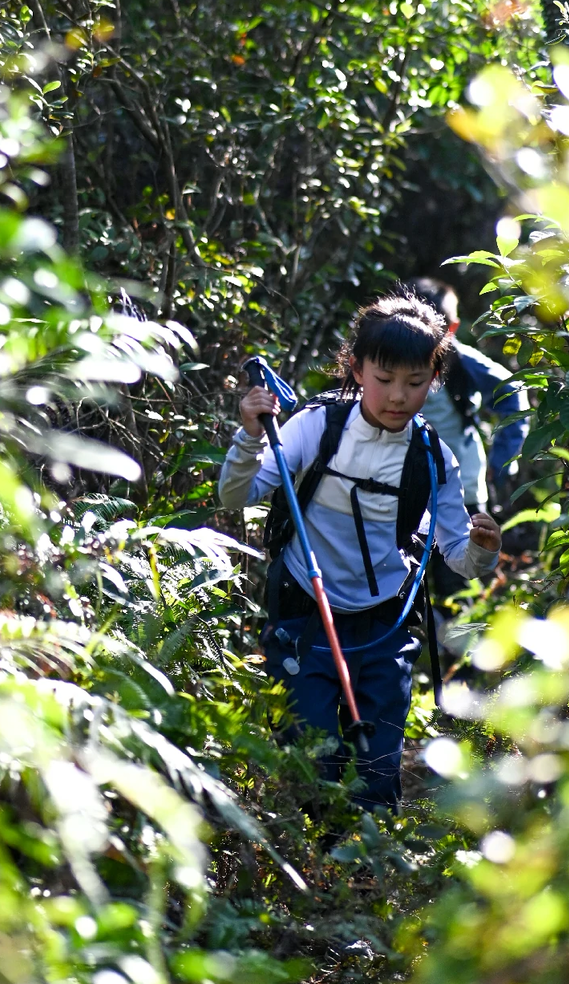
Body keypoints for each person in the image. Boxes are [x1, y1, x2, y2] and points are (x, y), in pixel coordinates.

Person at [218, 293, 501, 811]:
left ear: (433, 380)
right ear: (356, 368)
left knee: (377, 774)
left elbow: (458, 553)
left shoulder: (432, 455)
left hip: (386, 629)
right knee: (312, 761)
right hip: (305, 618)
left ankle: (368, 876)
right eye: (385, 379)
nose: (398, 396)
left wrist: (483, 550)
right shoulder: (316, 427)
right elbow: (237, 496)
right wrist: (250, 437)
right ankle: (316, 873)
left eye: (415, 383)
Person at [410, 277, 529, 515]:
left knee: (469, 548)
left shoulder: (462, 361)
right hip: (405, 483)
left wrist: (501, 461)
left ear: (450, 329)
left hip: (463, 485)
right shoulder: (384, 363)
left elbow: (513, 393)